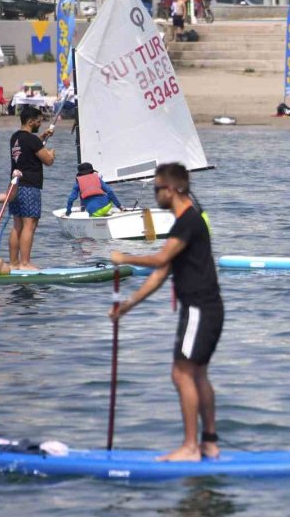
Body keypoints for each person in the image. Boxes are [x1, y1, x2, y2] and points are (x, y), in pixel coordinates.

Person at [109, 162, 223, 462]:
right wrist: (129, 305)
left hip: (199, 309)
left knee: (181, 373)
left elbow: (160, 256)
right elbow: (163, 272)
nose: (155, 194)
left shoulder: (187, 222)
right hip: (206, 308)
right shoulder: (186, 221)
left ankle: (190, 447)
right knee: (197, 374)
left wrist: (125, 257)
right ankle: (209, 443)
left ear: (172, 189)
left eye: (158, 188)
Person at [9, 106, 56, 270]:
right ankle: (25, 263)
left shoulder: (15, 137)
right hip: (29, 186)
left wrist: (41, 137)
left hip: (14, 185)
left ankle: (14, 263)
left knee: (17, 225)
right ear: (30, 121)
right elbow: (48, 161)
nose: (40, 124)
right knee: (30, 224)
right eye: (38, 121)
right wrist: (51, 154)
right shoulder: (33, 140)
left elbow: (28, 150)